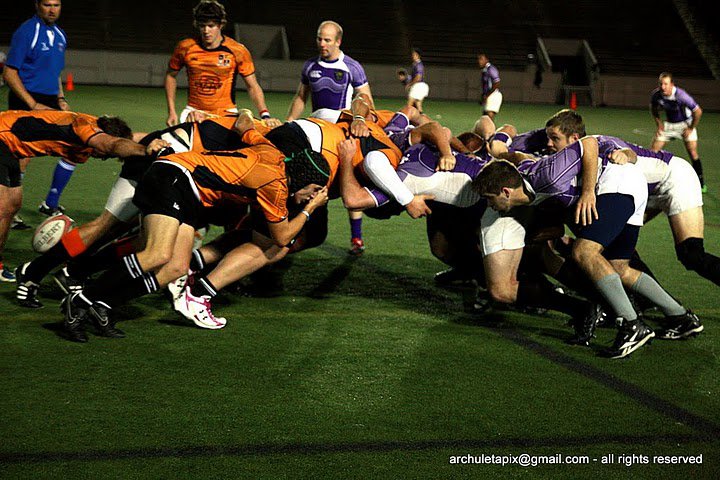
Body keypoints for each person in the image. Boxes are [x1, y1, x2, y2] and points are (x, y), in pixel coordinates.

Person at [63, 116, 329, 342]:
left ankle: (104, 304)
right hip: (173, 176)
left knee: (176, 268)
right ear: (303, 179)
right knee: (156, 254)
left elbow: (242, 122)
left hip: (188, 189)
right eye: (314, 190)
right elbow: (282, 237)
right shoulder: (276, 184)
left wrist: (252, 114)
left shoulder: (270, 149)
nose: (314, 195)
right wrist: (310, 209)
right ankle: (81, 300)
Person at [0, 110, 168, 283]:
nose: (103, 158)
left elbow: (129, 138)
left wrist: (164, 141)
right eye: (105, 155)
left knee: (11, 205)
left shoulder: (97, 132)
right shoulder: (86, 128)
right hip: (3, 138)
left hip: (12, 149)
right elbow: (111, 145)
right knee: (4, 206)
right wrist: (144, 150)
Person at [286, 20, 374, 255]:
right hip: (316, 133)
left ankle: (356, 237)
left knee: (349, 179)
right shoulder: (310, 66)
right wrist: (289, 122)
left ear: (338, 41)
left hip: (341, 133)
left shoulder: (351, 67)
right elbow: (300, 97)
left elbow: (367, 101)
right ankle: (297, 229)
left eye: (327, 40)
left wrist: (359, 121)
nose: (322, 44)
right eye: (319, 38)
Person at [3, 0, 77, 218]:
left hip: (51, 100)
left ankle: (50, 202)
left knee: (76, 145)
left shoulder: (61, 35)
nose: (52, 9)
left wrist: (61, 99)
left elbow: (55, 72)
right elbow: (9, 73)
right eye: (47, 4)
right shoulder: (27, 32)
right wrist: (33, 105)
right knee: (21, 156)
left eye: (56, 4)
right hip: (26, 100)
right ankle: (8, 208)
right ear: (37, 5)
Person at [165, 1, 281, 128]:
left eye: (211, 26)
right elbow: (171, 76)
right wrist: (171, 111)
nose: (206, 31)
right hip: (193, 112)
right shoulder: (185, 47)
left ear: (221, 25)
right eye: (202, 26)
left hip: (227, 113)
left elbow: (253, 86)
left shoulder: (237, 50)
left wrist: (265, 115)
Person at [650, 72, 705, 192]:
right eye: (661, 84)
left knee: (692, 153)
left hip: (685, 124)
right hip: (669, 126)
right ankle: (651, 181)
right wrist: (659, 124)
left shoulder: (681, 95)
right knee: (652, 152)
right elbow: (653, 108)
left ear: (671, 84)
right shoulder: (656, 95)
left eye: (666, 84)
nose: (663, 87)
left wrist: (690, 128)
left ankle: (701, 183)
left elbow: (698, 111)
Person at [397, 48, 429, 113]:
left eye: (414, 54)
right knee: (418, 106)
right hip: (420, 86)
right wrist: (406, 79)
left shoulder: (418, 65)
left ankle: (404, 120)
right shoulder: (416, 64)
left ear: (417, 55)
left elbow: (418, 77)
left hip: (418, 86)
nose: (412, 56)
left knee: (409, 105)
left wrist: (410, 84)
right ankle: (423, 120)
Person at [477, 53, 501, 120]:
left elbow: (497, 82)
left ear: (486, 60)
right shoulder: (484, 70)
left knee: (489, 118)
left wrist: (488, 95)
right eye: (479, 59)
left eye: (481, 59)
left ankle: (492, 130)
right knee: (485, 118)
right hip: (489, 94)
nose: (479, 61)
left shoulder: (491, 69)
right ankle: (488, 130)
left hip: (493, 94)